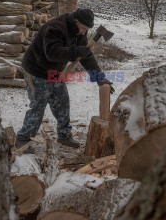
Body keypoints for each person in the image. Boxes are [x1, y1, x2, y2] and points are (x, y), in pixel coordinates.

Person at [16, 8, 114, 151]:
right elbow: (52, 53)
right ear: (76, 21)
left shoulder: (79, 32)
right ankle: (22, 139)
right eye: (83, 28)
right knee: (38, 106)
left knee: (62, 103)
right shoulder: (56, 28)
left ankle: (64, 136)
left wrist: (99, 77)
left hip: (55, 73)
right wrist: (76, 52)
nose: (83, 32)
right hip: (37, 71)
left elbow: (86, 55)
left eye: (86, 30)